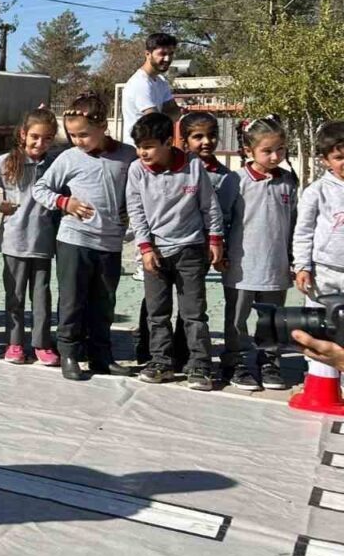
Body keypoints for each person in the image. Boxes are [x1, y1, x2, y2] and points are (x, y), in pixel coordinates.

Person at [32, 93, 138, 381]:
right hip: (74, 241)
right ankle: (69, 353)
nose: (78, 140)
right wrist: (65, 203)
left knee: (104, 302)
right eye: (72, 135)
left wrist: (131, 214)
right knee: (72, 300)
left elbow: (139, 188)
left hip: (110, 244)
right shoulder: (69, 158)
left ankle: (101, 355)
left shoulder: (128, 155)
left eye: (83, 134)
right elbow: (40, 189)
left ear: (103, 125)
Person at [126, 112, 225, 390]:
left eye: (148, 146)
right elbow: (137, 212)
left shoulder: (193, 166)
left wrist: (215, 239)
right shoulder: (136, 171)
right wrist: (146, 248)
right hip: (155, 252)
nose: (142, 152)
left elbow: (209, 206)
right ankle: (160, 360)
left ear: (169, 142)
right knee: (157, 312)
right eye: (138, 146)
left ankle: (200, 364)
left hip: (191, 250)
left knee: (193, 312)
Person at [0, 108, 60, 366]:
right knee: (15, 297)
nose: (40, 143)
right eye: (35, 137)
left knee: (41, 296)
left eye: (47, 138)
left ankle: (42, 344)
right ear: (23, 134)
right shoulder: (6, 161)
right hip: (14, 242)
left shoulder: (55, 164)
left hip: (43, 243)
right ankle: (15, 343)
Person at [224, 116, 297, 392]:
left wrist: (292, 259)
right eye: (267, 150)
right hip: (241, 267)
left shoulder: (288, 182)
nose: (275, 156)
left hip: (275, 268)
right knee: (237, 319)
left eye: (280, 149)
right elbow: (223, 218)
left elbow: (293, 224)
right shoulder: (236, 180)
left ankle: (269, 362)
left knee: (272, 318)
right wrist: (221, 252)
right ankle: (238, 362)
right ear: (249, 150)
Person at [180, 112, 239, 378]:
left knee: (192, 303)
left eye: (211, 135)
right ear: (183, 140)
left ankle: (192, 354)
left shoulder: (225, 176)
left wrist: (218, 245)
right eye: (198, 136)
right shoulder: (175, 167)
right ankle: (155, 350)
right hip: (171, 245)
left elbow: (224, 214)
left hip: (201, 248)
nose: (206, 141)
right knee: (158, 303)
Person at [294, 120, 344, 307]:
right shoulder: (316, 191)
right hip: (323, 274)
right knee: (320, 326)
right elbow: (303, 232)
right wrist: (302, 267)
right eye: (339, 157)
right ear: (325, 160)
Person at [120, 31, 181, 142]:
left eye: (171, 54)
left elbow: (175, 111)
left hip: (157, 148)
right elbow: (155, 122)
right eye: (162, 54)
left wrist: (162, 118)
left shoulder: (161, 81)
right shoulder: (140, 83)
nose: (167, 59)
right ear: (148, 54)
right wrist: (164, 118)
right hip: (138, 150)